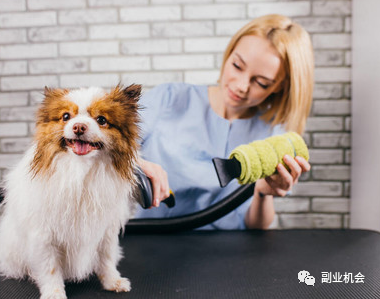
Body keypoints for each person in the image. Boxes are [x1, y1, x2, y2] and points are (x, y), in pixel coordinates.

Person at [134, 14, 313, 230]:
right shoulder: (168, 99)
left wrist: (264, 194)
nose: (241, 86)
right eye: (237, 66)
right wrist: (135, 163)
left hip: (226, 252)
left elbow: (254, 226)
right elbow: (102, 151)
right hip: (147, 238)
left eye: (262, 83)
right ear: (229, 54)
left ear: (280, 87)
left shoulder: (273, 135)